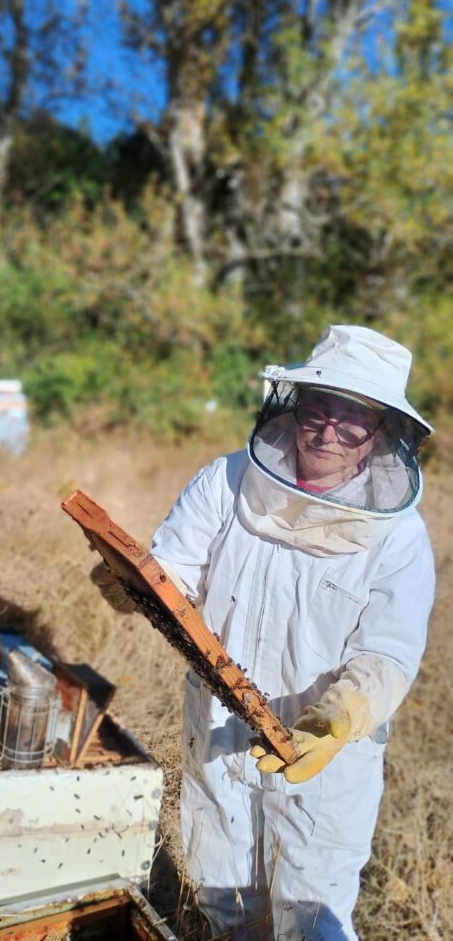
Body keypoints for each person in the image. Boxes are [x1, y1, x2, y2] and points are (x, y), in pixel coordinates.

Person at [104, 325, 436, 941]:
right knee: (226, 906)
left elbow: (387, 654)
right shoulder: (227, 483)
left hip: (321, 760)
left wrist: (338, 718)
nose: (329, 431)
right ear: (296, 404)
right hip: (220, 734)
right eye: (319, 408)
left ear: (382, 432)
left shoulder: (399, 538)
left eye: (354, 419)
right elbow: (172, 570)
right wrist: (132, 582)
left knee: (312, 919)